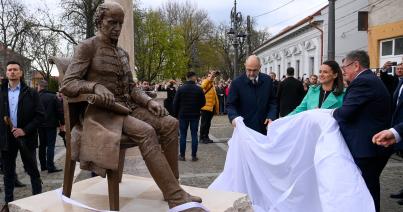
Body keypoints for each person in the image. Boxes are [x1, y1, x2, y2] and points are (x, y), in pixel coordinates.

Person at [60, 2, 203, 211]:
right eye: (112, 23)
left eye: (120, 23)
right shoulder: (87, 47)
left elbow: (132, 88)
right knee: (146, 132)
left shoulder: (123, 54)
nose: (117, 28)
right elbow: (67, 84)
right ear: (100, 22)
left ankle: (172, 188)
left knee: (170, 123)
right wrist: (95, 86)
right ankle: (176, 197)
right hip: (102, 113)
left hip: (128, 108)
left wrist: (149, 101)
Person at [333, 50, 392, 212]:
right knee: (369, 188)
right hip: (371, 146)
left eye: (344, 67)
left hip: (367, 148)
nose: (343, 71)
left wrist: (331, 112)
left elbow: (346, 112)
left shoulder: (363, 81)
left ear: (356, 65)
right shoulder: (369, 79)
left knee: (366, 191)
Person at [0, 61, 44, 212]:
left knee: (32, 170)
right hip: (6, 139)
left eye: (15, 70)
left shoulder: (31, 92)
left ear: (21, 73)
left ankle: (38, 201)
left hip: (27, 137)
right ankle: (8, 203)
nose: (12, 72)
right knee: (8, 173)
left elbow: (40, 116)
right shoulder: (1, 92)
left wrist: (25, 130)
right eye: (9, 70)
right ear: (6, 73)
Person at [373, 62, 403, 205]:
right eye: (398, 67)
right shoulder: (398, 81)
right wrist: (384, 69)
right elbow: (386, 80)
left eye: (401, 68)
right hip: (398, 126)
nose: (399, 69)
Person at [226, 55, 277, 135]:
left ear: (260, 67)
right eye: (249, 70)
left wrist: (271, 116)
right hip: (244, 130)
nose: (251, 73)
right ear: (245, 66)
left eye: (255, 70)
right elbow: (230, 105)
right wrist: (233, 117)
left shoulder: (267, 80)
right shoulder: (237, 83)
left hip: (263, 129)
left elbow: (273, 102)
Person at [173, 71, 205, 161]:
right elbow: (203, 102)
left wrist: (176, 114)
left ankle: (182, 155)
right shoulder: (199, 89)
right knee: (194, 135)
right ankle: (194, 156)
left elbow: (175, 103)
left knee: (183, 135)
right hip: (195, 114)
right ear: (194, 77)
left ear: (187, 78)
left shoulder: (181, 89)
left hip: (183, 115)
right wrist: (197, 107)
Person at [37, 80, 64, 173]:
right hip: (51, 124)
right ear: (46, 87)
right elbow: (59, 111)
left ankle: (43, 166)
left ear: (39, 87)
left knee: (42, 145)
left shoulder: (36, 97)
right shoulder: (53, 97)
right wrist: (62, 123)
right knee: (50, 146)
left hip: (40, 125)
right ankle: (50, 166)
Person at [199, 70, 219, 144]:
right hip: (205, 107)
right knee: (204, 123)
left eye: (213, 76)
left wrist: (216, 106)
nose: (213, 77)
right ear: (208, 76)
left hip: (211, 107)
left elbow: (215, 97)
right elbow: (202, 87)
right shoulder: (205, 81)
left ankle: (206, 137)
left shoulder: (212, 84)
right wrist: (209, 78)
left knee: (208, 123)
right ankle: (201, 137)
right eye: (211, 75)